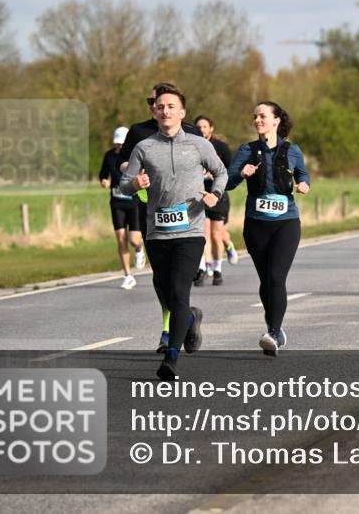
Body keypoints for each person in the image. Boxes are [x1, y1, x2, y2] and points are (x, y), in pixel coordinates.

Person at [118, 85, 226, 380]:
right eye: (160, 106)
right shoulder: (144, 147)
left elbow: (221, 172)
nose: (165, 111)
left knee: (179, 291)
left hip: (190, 230)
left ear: (182, 112)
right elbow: (124, 184)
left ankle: (172, 358)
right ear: (154, 112)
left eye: (171, 106)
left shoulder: (198, 144)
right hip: (157, 232)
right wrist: (134, 185)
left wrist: (215, 195)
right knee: (167, 292)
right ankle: (190, 317)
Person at [226, 101, 310, 356]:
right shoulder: (247, 150)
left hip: (286, 223)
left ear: (276, 120)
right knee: (266, 280)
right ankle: (275, 326)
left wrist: (304, 184)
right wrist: (242, 173)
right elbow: (228, 182)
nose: (257, 120)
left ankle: (273, 332)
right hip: (256, 224)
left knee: (275, 277)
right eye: (255, 117)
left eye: (262, 116)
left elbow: (303, 174)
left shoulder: (292, 150)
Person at [98, 126, 143, 290]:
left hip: (134, 202)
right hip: (117, 202)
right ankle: (128, 275)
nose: (119, 146)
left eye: (122, 144)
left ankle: (139, 248)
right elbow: (103, 173)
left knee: (134, 239)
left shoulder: (135, 155)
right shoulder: (109, 156)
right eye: (117, 143)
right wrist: (104, 181)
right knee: (121, 238)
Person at [194, 116, 234, 286]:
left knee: (217, 235)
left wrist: (215, 176)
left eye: (204, 126)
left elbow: (230, 172)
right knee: (203, 234)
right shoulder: (191, 146)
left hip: (218, 195)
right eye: (198, 127)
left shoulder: (221, 147)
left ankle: (217, 269)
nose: (201, 129)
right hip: (199, 196)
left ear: (211, 128)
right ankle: (203, 268)